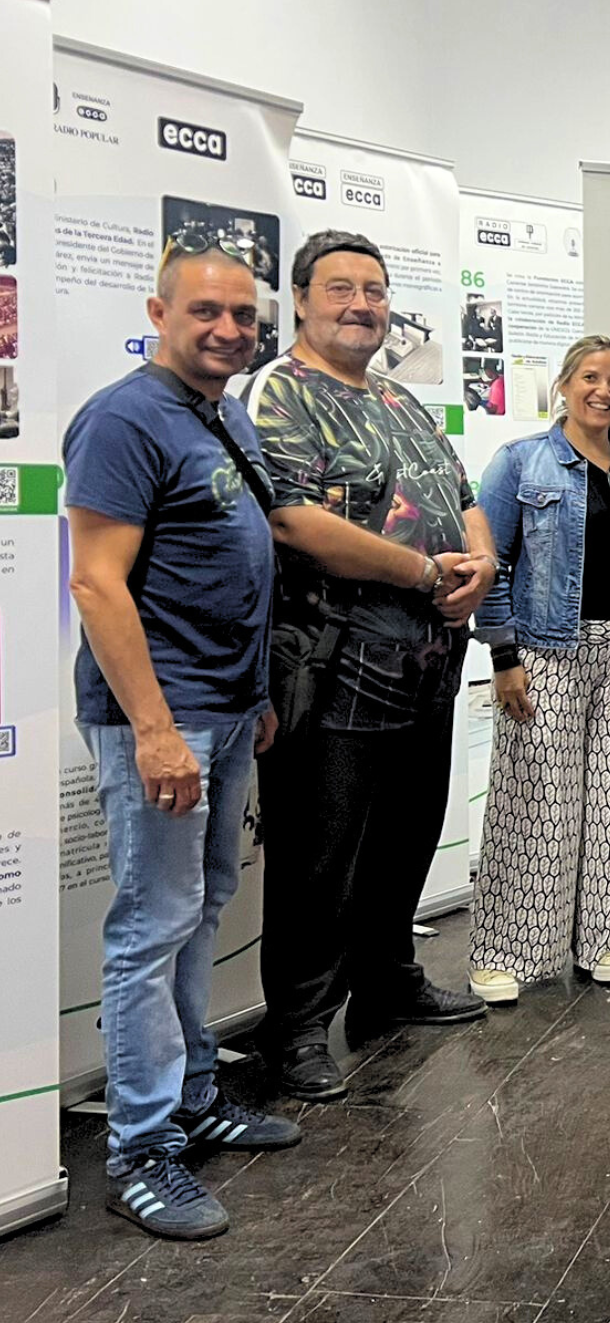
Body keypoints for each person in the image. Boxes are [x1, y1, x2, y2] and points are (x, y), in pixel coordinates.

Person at [64, 237, 301, 1239]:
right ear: (159, 314)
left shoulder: (223, 413)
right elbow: (96, 583)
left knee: (200, 910)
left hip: (226, 707)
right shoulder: (123, 419)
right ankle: (140, 1148)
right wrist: (155, 731)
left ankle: (195, 1096)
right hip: (161, 718)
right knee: (152, 927)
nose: (229, 329)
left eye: (244, 315)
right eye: (206, 311)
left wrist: (253, 694)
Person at [246, 231, 497, 1102]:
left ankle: (387, 983)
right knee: (319, 855)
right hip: (335, 664)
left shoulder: (398, 397)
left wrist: (481, 563)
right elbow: (293, 520)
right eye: (341, 289)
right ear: (301, 300)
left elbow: (462, 495)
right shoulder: (281, 392)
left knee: (405, 836)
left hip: (429, 662)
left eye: (376, 290)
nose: (362, 305)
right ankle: (297, 1028)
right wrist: (428, 574)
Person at [468, 337, 610, 1002]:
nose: (604, 390)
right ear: (564, 386)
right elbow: (489, 565)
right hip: (546, 652)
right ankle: (506, 953)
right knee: (538, 804)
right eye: (591, 377)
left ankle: (606, 940)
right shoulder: (519, 463)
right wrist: (503, 657)